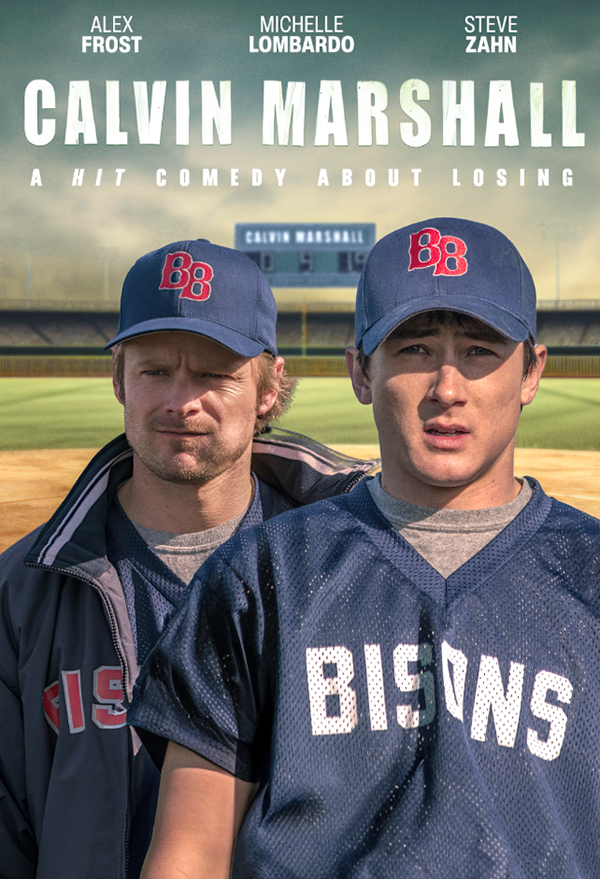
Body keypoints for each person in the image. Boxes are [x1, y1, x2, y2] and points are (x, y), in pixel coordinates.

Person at [130, 218, 600, 879]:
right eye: (412, 350)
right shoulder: (261, 575)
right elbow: (190, 854)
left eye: (478, 350)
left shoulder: (590, 576)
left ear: (532, 370)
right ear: (360, 370)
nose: (446, 386)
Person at [0, 238, 377, 879]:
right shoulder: (24, 588)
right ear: (118, 379)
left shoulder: (351, 569)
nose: (181, 401)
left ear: (267, 386)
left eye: (213, 374)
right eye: (154, 371)